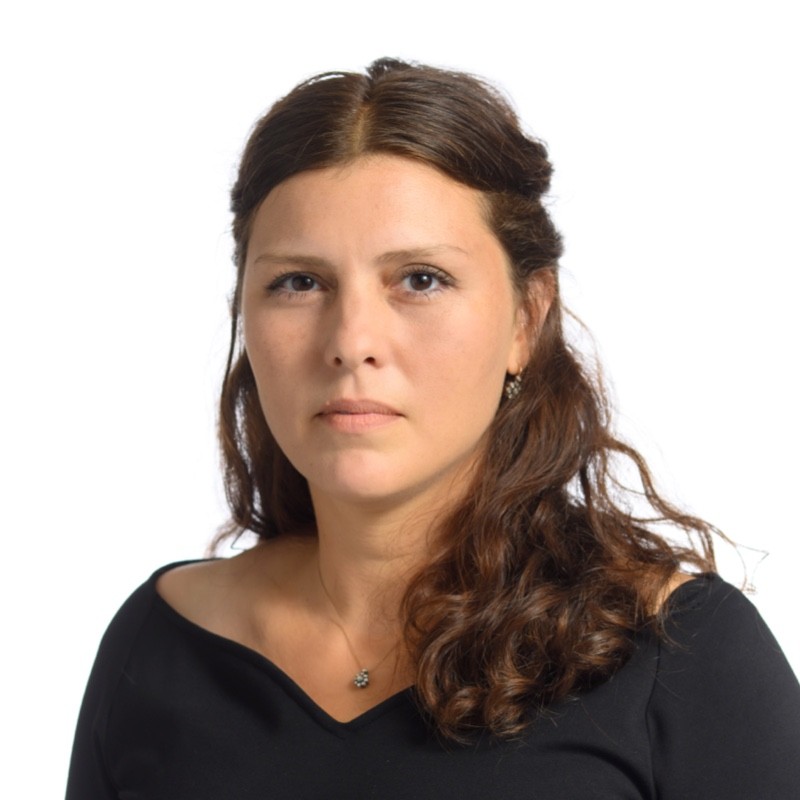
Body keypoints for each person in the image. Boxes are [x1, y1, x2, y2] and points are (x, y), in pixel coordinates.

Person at [66, 58, 800, 799]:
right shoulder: (157, 644)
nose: (351, 342)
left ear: (526, 319)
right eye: (299, 282)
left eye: (420, 279)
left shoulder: (680, 655)